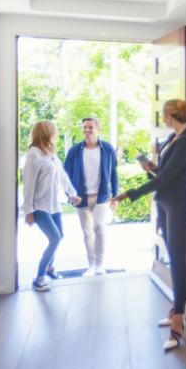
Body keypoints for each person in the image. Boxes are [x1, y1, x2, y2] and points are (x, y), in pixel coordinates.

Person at [112, 99, 186, 350]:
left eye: (164, 115)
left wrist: (129, 194)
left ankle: (179, 320)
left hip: (178, 205)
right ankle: (177, 308)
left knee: (178, 261)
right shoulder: (174, 139)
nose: (162, 119)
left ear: (171, 116)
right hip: (166, 203)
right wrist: (150, 167)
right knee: (173, 258)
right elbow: (164, 174)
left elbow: (166, 179)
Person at [23, 120, 81, 292]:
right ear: (47, 133)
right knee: (54, 239)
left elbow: (62, 176)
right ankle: (39, 277)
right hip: (39, 206)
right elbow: (28, 184)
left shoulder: (51, 154)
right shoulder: (34, 154)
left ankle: (50, 268)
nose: (56, 134)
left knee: (60, 236)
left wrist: (72, 194)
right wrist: (28, 211)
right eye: (54, 131)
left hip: (54, 206)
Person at [63, 117, 119, 277]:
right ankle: (91, 265)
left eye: (90, 128)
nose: (87, 131)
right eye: (84, 128)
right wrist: (70, 195)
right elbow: (65, 175)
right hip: (81, 197)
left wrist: (115, 195)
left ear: (98, 129)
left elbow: (114, 173)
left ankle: (100, 265)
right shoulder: (74, 151)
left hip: (101, 196)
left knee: (99, 228)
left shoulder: (107, 149)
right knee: (87, 232)